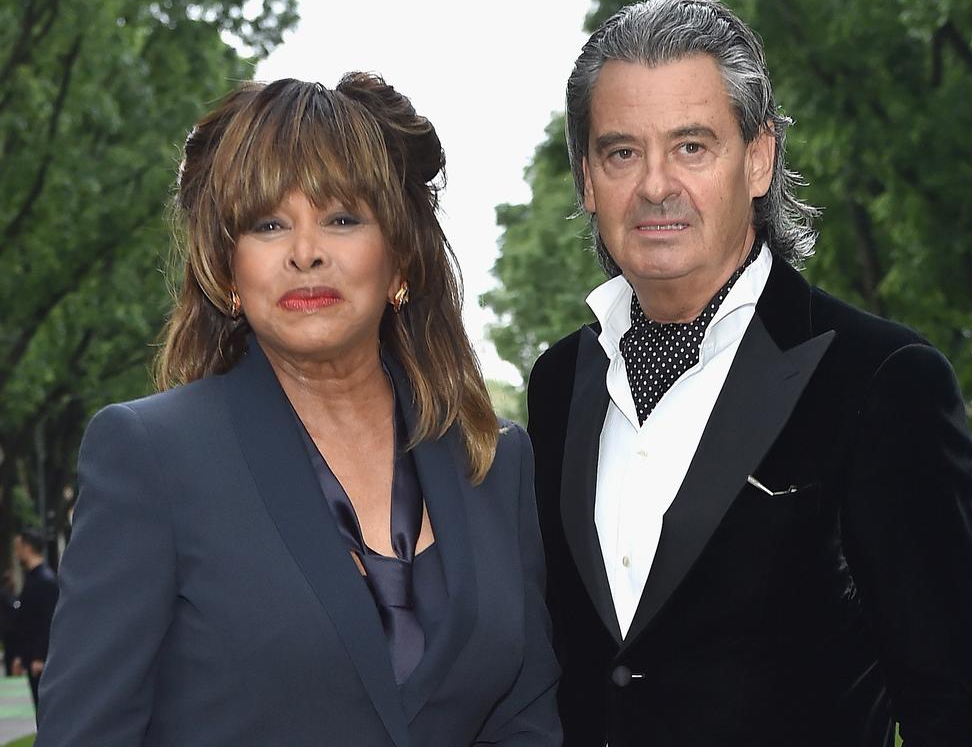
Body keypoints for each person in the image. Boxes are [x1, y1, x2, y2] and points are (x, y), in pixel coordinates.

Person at [527, 0, 972, 746]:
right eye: (623, 151)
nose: (656, 185)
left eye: (691, 146)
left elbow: (955, 702)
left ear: (758, 158)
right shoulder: (558, 384)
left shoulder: (886, 382)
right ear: (587, 180)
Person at [37, 73, 561, 746]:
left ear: (399, 258)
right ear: (228, 271)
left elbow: (527, 719)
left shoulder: (495, 460)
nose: (305, 252)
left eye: (342, 218)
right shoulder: (149, 457)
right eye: (268, 224)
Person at [10, 529, 59, 712]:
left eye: (18, 548)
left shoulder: (44, 581)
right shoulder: (35, 578)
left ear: (27, 547)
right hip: (33, 659)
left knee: (45, 712)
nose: (16, 553)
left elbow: (49, 621)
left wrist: (40, 657)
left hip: (40, 662)